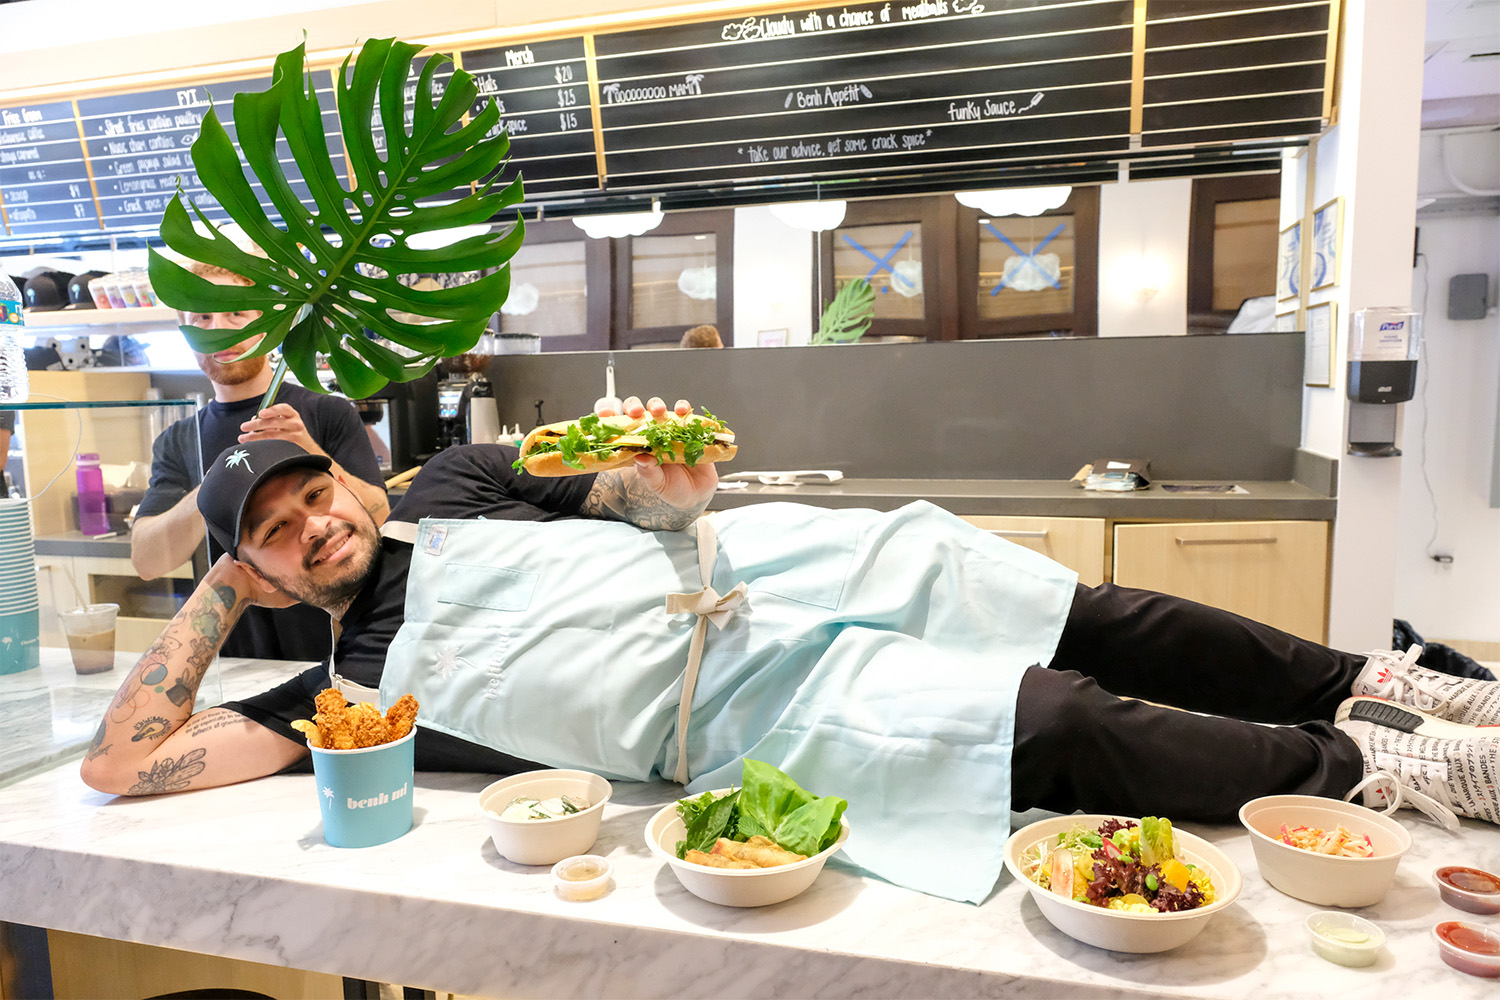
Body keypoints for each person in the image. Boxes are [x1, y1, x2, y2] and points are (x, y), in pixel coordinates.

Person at [82, 398, 1500, 902]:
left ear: (358, 476)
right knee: (1052, 720)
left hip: (765, 572)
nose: (314, 522)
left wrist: (662, 488)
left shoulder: (451, 483)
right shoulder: (334, 700)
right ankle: (1376, 771)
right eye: (276, 528)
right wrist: (217, 571)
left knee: (1092, 613)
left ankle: (1375, 683)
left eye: (315, 488)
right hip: (762, 707)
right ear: (255, 567)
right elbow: (124, 764)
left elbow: (613, 486)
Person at [131, 260, 389, 661]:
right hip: (238, 661)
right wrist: (219, 484)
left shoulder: (325, 414)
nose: (219, 328)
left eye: (236, 312)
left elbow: (382, 516)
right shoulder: (179, 441)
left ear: (269, 325)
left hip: (347, 646)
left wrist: (312, 454)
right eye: (202, 316)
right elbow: (148, 561)